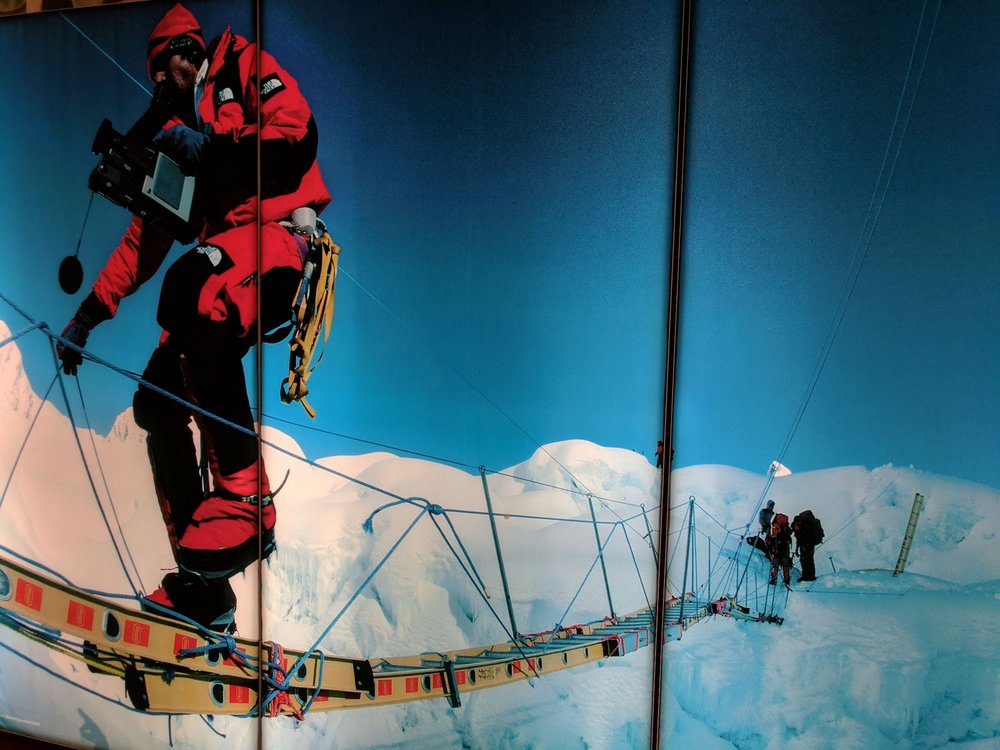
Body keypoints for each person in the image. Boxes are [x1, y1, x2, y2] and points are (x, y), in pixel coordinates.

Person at [57, 3, 330, 631]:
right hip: (227, 261)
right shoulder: (182, 135)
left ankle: (247, 501)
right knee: (155, 401)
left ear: (188, 50)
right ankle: (202, 586)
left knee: (192, 288)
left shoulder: (242, 65)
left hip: (277, 239)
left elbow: (295, 133)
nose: (159, 81)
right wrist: (88, 315)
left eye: (164, 66)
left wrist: (211, 150)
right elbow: (144, 241)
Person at [792, 509, 824, 582]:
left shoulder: (806, 526)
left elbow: (808, 536)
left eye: (796, 526)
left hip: (809, 544)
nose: (796, 528)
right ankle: (807, 576)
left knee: (807, 560)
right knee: (805, 560)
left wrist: (806, 545)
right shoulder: (799, 529)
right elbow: (798, 539)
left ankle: (809, 577)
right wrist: (797, 549)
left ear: (799, 523)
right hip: (805, 545)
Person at [767, 512, 792, 587]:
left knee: (775, 565)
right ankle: (787, 580)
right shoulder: (786, 527)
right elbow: (789, 536)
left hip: (775, 549)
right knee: (785, 564)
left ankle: (773, 580)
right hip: (785, 549)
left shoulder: (773, 527)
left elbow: (770, 539)